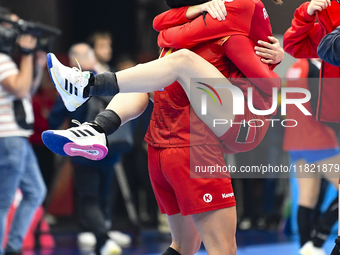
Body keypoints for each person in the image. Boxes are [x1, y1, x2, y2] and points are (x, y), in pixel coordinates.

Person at [43, 0, 283, 254]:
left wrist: (274, 60)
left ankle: (90, 95)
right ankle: (96, 127)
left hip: (196, 135)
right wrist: (190, 13)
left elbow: (164, 26)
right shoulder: (184, 39)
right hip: (190, 147)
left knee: (170, 66)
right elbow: (162, 23)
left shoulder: (215, 21)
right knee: (204, 248)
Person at [48, 43, 132, 255]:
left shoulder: (72, 83)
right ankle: (104, 233)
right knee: (105, 193)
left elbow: (54, 117)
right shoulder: (107, 78)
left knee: (89, 198)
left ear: (71, 60)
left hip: (84, 149)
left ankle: (103, 239)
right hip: (110, 145)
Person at [283, 1, 340, 253]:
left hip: (296, 140)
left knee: (306, 197)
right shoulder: (315, 67)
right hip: (319, 138)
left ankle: (308, 246)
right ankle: (320, 237)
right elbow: (320, 106)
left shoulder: (296, 66)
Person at [0, 11, 46, 255]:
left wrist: (35, 65)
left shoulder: (7, 61)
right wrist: (27, 55)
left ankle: (13, 248)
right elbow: (19, 89)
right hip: (8, 138)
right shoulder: (1, 60)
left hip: (17, 137)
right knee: (3, 202)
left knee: (36, 191)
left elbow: (26, 91)